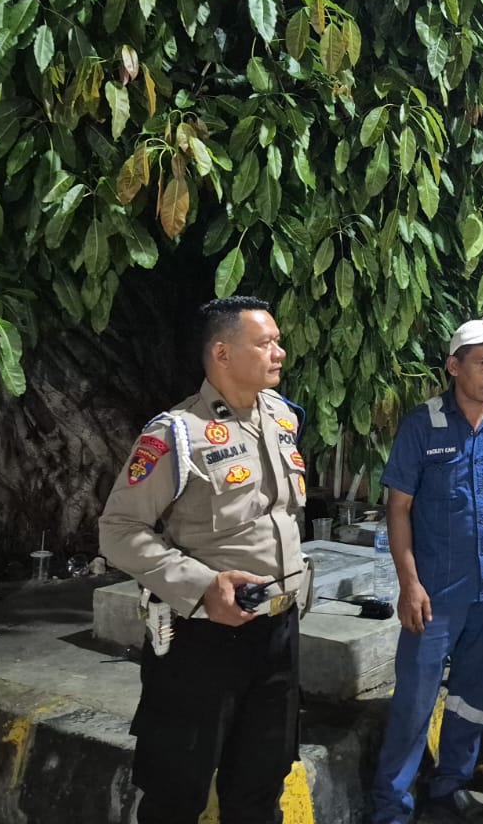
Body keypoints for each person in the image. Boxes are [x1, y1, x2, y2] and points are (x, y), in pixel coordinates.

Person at [100, 295, 311, 824]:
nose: (280, 353)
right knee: (176, 793)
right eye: (265, 343)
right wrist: (201, 587)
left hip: (278, 632)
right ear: (222, 353)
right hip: (201, 640)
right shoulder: (176, 434)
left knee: (260, 788)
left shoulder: (282, 417)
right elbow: (118, 530)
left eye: (277, 341)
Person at [368, 320, 483, 824]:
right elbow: (398, 509)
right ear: (454, 366)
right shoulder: (422, 425)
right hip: (435, 595)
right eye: (482, 364)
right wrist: (409, 584)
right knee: (414, 702)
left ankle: (450, 787)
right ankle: (392, 807)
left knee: (473, 696)